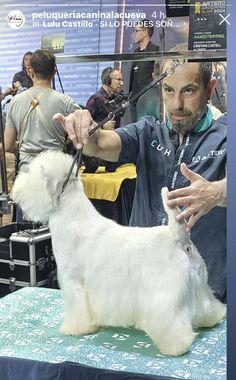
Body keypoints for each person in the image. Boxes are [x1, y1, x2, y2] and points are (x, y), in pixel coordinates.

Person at [53, 60, 227, 303]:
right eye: (168, 90)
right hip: (143, 292)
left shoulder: (226, 137)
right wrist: (86, 127)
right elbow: (100, 142)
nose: (177, 104)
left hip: (206, 293)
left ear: (209, 90)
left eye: (189, 90)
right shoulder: (146, 133)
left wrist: (219, 191)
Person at [4, 49, 81, 171]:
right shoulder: (66, 102)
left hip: (26, 174)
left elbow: (7, 145)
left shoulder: (14, 102)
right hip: (55, 173)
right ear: (54, 72)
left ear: (30, 71)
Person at [85, 66, 124, 172]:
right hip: (97, 153)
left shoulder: (115, 100)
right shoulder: (96, 99)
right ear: (107, 80)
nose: (122, 83)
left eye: (122, 80)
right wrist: (102, 126)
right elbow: (84, 124)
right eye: (119, 80)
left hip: (111, 152)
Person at [129, 19, 159, 122]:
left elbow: (157, 74)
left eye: (136, 31)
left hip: (147, 100)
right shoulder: (135, 52)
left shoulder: (155, 50)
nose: (134, 34)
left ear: (145, 32)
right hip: (134, 100)